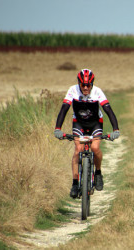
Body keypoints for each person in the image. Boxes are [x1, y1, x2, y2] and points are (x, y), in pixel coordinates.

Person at [54, 69, 120, 198]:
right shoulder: (72, 90)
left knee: (95, 148)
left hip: (95, 123)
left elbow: (108, 110)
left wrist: (115, 130)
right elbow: (64, 109)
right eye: (83, 85)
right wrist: (58, 128)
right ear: (79, 83)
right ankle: (74, 183)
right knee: (78, 150)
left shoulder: (97, 92)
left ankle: (98, 173)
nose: (85, 88)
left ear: (92, 84)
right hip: (79, 123)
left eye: (88, 85)